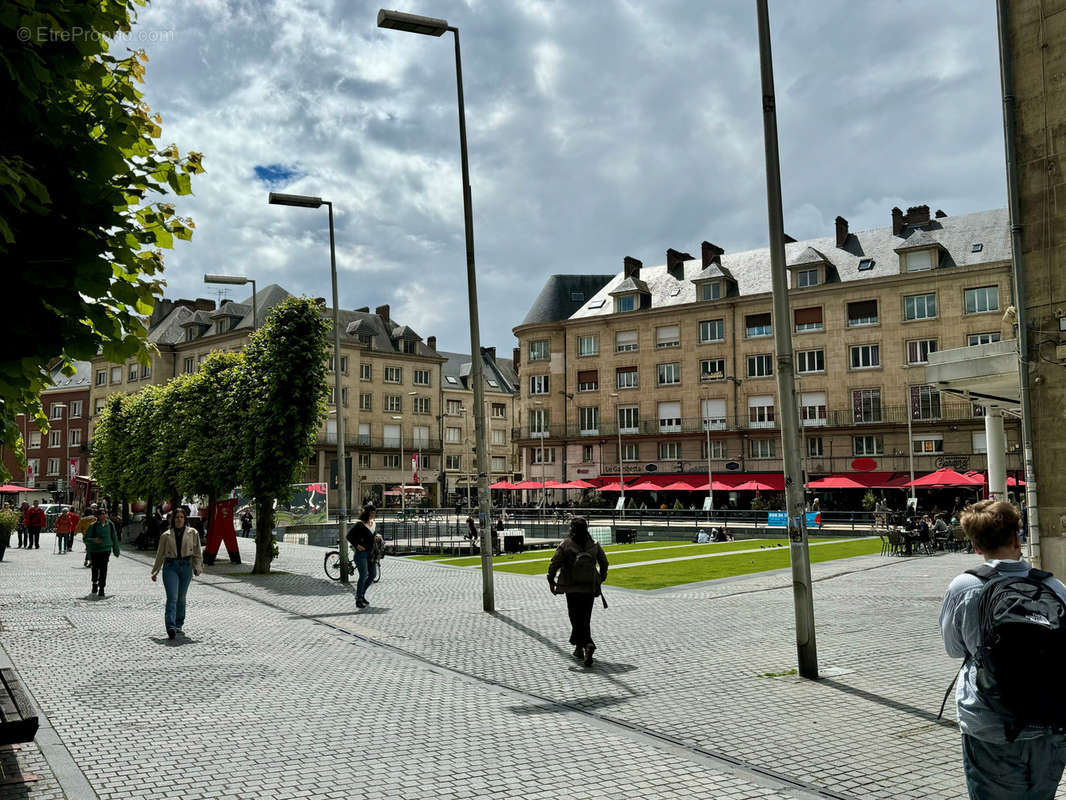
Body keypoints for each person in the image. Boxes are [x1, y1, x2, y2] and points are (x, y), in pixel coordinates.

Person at [940, 500, 1066, 797]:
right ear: (1016, 537)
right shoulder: (1053, 587)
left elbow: (954, 649)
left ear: (976, 545)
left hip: (989, 722)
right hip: (1050, 723)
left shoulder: (964, 586)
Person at [547, 517, 609, 667]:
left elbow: (554, 563)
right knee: (585, 618)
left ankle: (587, 644)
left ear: (572, 529)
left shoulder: (566, 544)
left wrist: (551, 580)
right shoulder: (594, 545)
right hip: (589, 587)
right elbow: (604, 562)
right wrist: (600, 578)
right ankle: (579, 648)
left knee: (575, 617)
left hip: (571, 586)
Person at [151, 508, 204, 639]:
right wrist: (155, 571)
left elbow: (197, 552)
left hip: (186, 566)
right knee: (172, 597)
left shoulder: (193, 533)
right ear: (172, 520)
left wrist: (198, 567)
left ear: (185, 519)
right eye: (176, 517)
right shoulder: (166, 535)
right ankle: (170, 626)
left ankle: (179, 623)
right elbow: (160, 554)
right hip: (170, 567)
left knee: (181, 597)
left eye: (181, 517)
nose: (179, 519)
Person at [85, 507, 120, 598]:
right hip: (95, 551)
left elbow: (114, 537)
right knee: (95, 568)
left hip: (106, 550)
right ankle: (94, 584)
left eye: (105, 513)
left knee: (104, 569)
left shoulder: (110, 524)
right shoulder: (93, 526)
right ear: (98, 516)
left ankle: (102, 588)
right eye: (101, 514)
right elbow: (86, 538)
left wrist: (116, 550)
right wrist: (93, 540)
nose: (104, 515)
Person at [346, 505, 376, 609]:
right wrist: (357, 545)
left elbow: (372, 536)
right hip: (361, 554)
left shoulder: (373, 524)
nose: (374, 514)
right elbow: (348, 536)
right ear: (368, 513)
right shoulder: (360, 524)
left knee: (372, 575)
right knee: (363, 575)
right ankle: (358, 599)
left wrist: (378, 537)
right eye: (373, 512)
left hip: (371, 554)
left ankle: (361, 595)